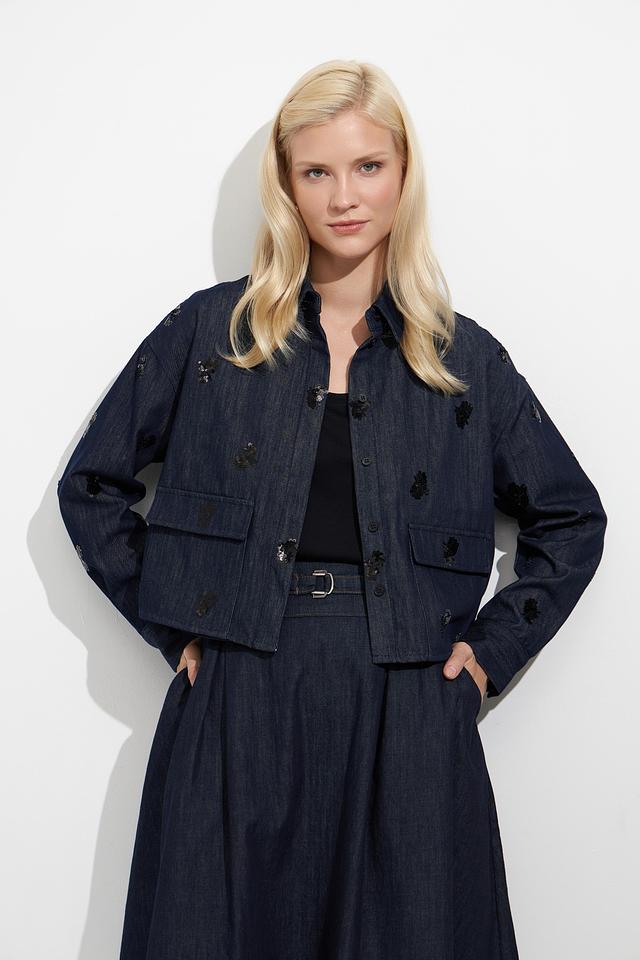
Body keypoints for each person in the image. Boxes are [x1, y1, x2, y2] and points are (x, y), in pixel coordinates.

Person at [57, 59, 607, 960]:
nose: (344, 197)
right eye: (316, 171)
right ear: (286, 185)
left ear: (403, 174)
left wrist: (489, 655)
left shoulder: (465, 362)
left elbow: (572, 519)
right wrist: (175, 628)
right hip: (240, 692)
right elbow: (91, 484)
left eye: (367, 167)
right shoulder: (212, 336)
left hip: (410, 702)